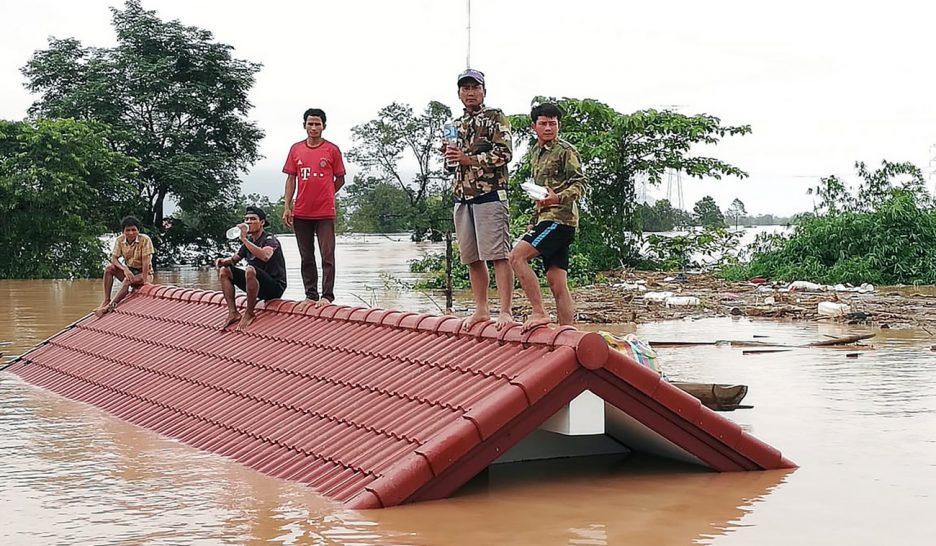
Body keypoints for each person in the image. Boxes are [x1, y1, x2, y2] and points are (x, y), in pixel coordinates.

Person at [444, 68, 515, 330]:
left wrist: (468, 159)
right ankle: (482, 309)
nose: (470, 92)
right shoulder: (454, 125)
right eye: (465, 88)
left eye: (475, 87)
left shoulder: (496, 117)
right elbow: (450, 166)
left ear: (484, 91)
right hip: (462, 197)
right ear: (459, 93)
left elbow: (504, 154)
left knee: (498, 254)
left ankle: (505, 311)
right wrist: (450, 156)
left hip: (490, 195)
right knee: (472, 258)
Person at [508, 103, 586, 332]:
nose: (549, 127)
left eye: (553, 123)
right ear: (534, 126)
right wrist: (534, 218)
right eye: (543, 123)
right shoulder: (535, 153)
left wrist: (558, 198)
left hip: (560, 220)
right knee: (556, 281)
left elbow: (581, 183)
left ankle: (539, 312)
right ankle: (567, 332)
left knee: (516, 257)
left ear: (558, 125)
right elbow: (539, 191)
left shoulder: (566, 150)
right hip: (545, 218)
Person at [281, 108, 346, 308]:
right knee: (306, 255)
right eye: (310, 123)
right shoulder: (296, 149)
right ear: (305, 126)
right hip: (301, 211)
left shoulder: (332, 150)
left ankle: (327, 296)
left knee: (327, 254)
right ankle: (311, 295)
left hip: (325, 212)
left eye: (318, 124)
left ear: (324, 126)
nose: (314, 127)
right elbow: (291, 178)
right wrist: (287, 206)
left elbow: (341, 178)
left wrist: (327, 194)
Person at [216, 206, 287, 331]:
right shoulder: (248, 243)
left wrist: (243, 239)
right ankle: (233, 312)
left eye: (253, 219)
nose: (248, 222)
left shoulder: (270, 239)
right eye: (246, 219)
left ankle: (249, 313)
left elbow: (265, 256)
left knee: (249, 269)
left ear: (262, 222)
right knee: (225, 271)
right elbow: (234, 260)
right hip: (256, 283)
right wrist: (222, 262)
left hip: (274, 287)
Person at [95, 216, 154, 317]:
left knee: (127, 280)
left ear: (138, 230)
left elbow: (146, 263)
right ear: (123, 231)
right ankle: (106, 299)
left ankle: (110, 306)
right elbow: (114, 259)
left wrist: (144, 281)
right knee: (109, 268)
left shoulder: (145, 240)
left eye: (133, 230)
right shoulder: (120, 240)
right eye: (127, 230)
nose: (131, 233)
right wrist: (124, 269)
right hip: (129, 271)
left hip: (144, 273)